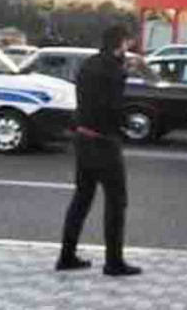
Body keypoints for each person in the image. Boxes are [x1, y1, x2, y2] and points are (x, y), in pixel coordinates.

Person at [57, 25, 142, 277]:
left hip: (82, 138)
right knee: (116, 203)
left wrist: (122, 69)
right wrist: (124, 127)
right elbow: (114, 105)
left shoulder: (88, 64)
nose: (129, 47)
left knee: (81, 199)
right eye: (128, 43)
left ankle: (66, 256)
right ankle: (113, 262)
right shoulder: (114, 70)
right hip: (104, 143)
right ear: (120, 43)